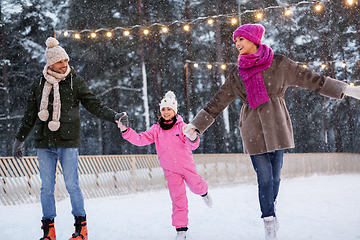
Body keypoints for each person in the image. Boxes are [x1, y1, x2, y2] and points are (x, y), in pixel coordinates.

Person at [183, 23, 360, 240]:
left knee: (275, 177)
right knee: (264, 177)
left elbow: (313, 80)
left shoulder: (279, 64)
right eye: (235, 40)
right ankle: (268, 219)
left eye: (241, 39)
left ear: (253, 39)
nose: (237, 44)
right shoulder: (237, 74)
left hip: (277, 126)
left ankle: (270, 206)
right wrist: (196, 126)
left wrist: (346, 89)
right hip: (252, 128)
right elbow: (217, 102)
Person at [12, 37, 128, 240]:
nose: (64, 64)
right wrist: (19, 140)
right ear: (50, 63)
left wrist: (114, 116)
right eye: (59, 62)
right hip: (44, 143)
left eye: (65, 60)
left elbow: (94, 104)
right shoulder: (38, 84)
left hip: (68, 142)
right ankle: (49, 232)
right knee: (46, 188)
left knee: (72, 185)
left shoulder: (76, 81)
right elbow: (30, 115)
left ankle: (81, 229)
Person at [116, 91, 213, 240]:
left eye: (169, 109)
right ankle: (181, 230)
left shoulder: (183, 127)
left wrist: (193, 137)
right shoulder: (156, 129)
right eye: (163, 109)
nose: (166, 112)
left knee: (196, 186)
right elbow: (140, 139)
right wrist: (125, 129)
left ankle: (204, 192)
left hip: (186, 167)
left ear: (174, 110)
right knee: (178, 199)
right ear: (160, 111)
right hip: (170, 171)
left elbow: (193, 145)